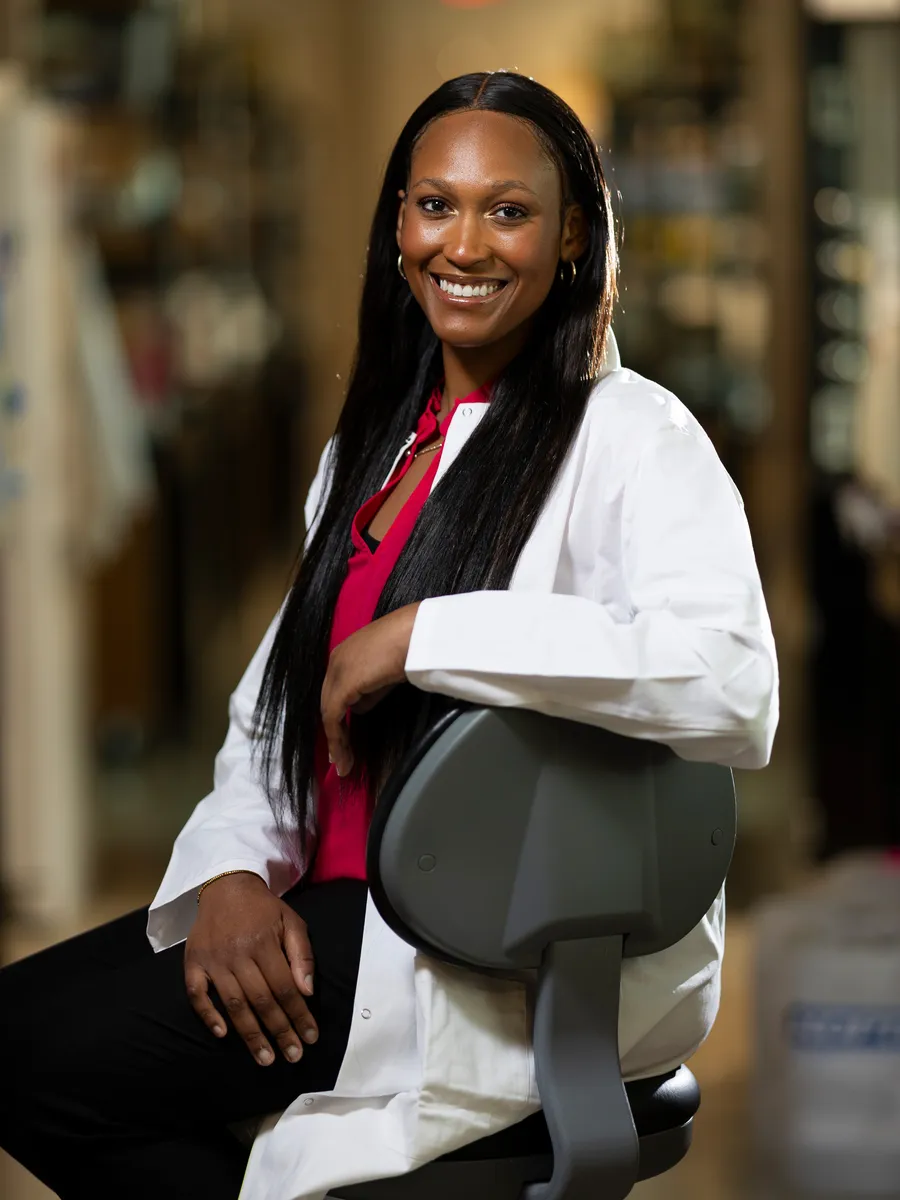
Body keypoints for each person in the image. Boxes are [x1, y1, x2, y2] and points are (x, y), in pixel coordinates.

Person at [0, 71, 778, 1200]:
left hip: (480, 945)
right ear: (397, 225)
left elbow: (732, 684)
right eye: (433, 205)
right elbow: (271, 711)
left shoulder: (634, 434)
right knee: (25, 1040)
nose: (463, 244)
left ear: (571, 240)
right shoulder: (378, 448)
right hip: (328, 911)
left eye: (508, 210)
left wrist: (425, 633)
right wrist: (229, 873)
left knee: (38, 1060)